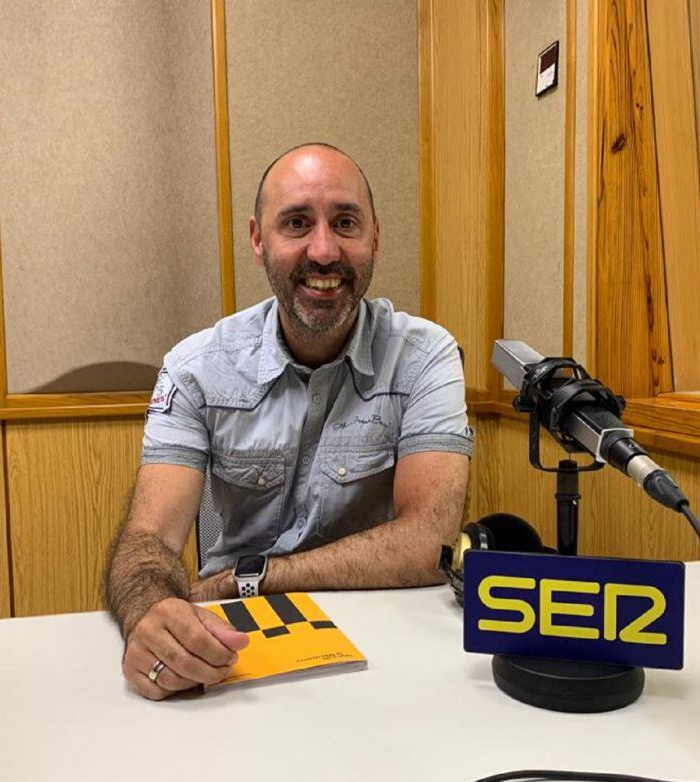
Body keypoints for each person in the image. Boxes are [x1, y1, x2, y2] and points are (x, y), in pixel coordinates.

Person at [105, 143, 472, 700]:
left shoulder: (426, 356)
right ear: (258, 239)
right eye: (296, 223)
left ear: (375, 236)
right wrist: (152, 617)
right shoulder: (195, 368)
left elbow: (430, 541)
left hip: (388, 644)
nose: (324, 251)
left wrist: (246, 577)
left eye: (345, 223)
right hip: (237, 647)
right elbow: (148, 538)